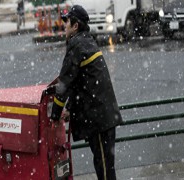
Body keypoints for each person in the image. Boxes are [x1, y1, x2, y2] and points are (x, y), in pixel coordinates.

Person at [47, 5, 123, 180]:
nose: (64, 25)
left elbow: (64, 84)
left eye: (67, 22)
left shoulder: (77, 45)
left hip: (99, 120)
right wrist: (70, 109)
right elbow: (80, 83)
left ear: (75, 26)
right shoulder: (86, 41)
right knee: (104, 167)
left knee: (104, 170)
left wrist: (55, 115)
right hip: (102, 117)